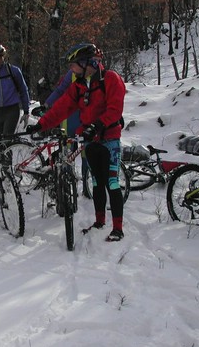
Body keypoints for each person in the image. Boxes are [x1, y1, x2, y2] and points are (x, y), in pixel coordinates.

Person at [26, 43, 126, 241]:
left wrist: (96, 125)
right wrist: (41, 125)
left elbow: (115, 109)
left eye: (74, 65)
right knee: (97, 182)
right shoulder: (79, 86)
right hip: (90, 141)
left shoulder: (110, 79)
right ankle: (99, 222)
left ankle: (118, 228)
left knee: (112, 183)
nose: (71, 69)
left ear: (87, 63)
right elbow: (61, 107)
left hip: (109, 139)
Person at [44, 69, 90, 197]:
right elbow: (60, 90)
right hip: (70, 120)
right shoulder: (72, 74)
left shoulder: (93, 73)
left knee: (85, 154)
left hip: (84, 119)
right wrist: (47, 103)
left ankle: (86, 188)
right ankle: (68, 187)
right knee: (68, 155)